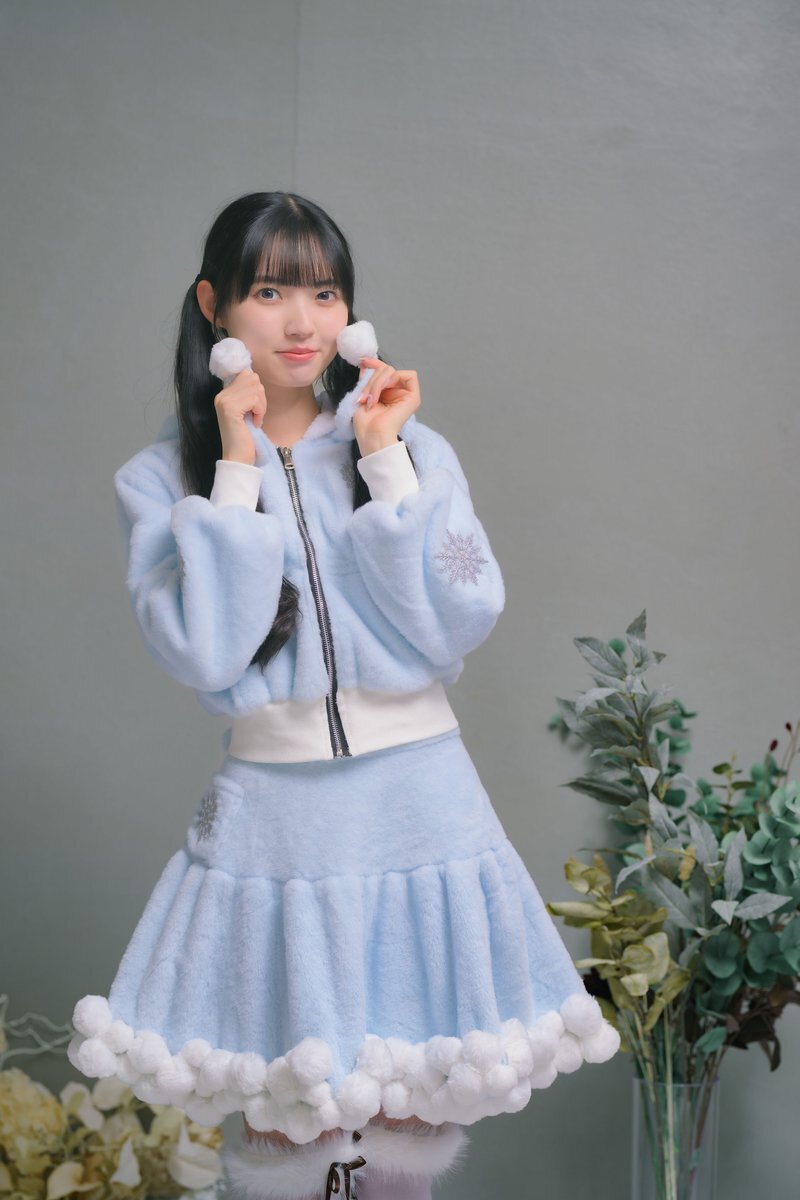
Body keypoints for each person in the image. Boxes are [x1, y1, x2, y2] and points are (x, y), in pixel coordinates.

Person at [67, 191, 620, 1200]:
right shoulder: (160, 480)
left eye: (324, 294)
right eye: (269, 291)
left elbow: (459, 619)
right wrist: (236, 474)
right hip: (279, 825)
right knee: (289, 1112)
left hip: (419, 802)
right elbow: (204, 652)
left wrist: (384, 459)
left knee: (410, 1110)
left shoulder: (408, 447)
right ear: (213, 306)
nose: (300, 321)